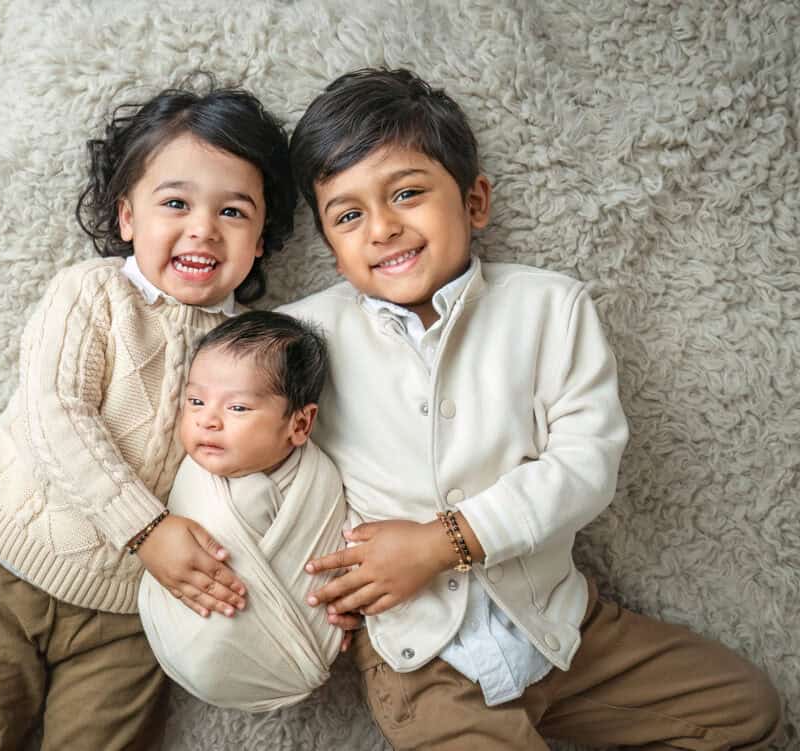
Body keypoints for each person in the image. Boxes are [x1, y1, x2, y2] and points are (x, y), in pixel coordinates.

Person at [281, 68, 783, 750]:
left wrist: (442, 540)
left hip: (563, 627)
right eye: (348, 215)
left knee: (747, 706)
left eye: (407, 193)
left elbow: (584, 464)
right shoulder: (301, 336)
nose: (384, 228)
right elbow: (231, 429)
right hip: (423, 658)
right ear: (332, 248)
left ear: (476, 200)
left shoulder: (549, 306)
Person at [0, 82, 297, 751]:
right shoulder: (92, 295)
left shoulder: (253, 350)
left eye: (233, 212)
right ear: (127, 217)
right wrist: (147, 527)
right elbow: (55, 416)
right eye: (175, 203)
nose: (203, 228)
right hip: (12, 568)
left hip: (132, 610)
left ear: (262, 239)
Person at [138, 310, 348, 712]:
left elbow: (335, 551)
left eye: (237, 408)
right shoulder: (188, 474)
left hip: (295, 655)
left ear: (300, 425)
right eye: (195, 401)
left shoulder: (319, 481)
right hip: (178, 637)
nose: (207, 421)